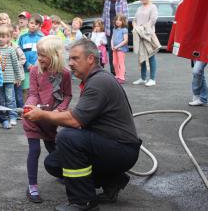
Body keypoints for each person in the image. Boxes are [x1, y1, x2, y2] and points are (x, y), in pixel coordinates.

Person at [24, 38, 141, 211]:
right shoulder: (95, 79)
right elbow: (80, 118)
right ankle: (112, 182)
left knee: (67, 138)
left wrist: (42, 115)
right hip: (114, 145)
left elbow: (75, 121)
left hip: (121, 148)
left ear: (90, 59)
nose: (70, 63)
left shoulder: (98, 83)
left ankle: (83, 201)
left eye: (75, 58)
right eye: (69, 58)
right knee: (54, 163)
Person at [23, 36, 72, 203]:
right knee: (34, 150)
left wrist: (59, 110)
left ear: (56, 55)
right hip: (33, 119)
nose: (39, 58)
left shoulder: (65, 74)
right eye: (38, 54)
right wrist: (30, 106)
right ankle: (32, 187)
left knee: (55, 149)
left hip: (51, 119)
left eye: (43, 54)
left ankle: (62, 174)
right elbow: (33, 94)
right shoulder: (35, 71)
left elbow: (67, 95)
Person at [132, 0, 161, 87]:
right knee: (142, 56)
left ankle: (152, 79)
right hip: (139, 34)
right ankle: (143, 78)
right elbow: (134, 20)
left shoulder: (153, 7)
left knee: (151, 56)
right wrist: (136, 28)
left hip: (148, 35)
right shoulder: (139, 8)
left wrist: (143, 29)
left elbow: (153, 20)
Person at [0, 25, 22, 127]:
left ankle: (13, 116)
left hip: (10, 79)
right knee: (0, 99)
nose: (1, 39)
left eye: (3, 36)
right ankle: (2, 116)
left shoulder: (11, 50)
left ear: (8, 37)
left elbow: (16, 64)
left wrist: (18, 77)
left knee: (10, 98)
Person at [101, 0, 128, 76]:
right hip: (109, 30)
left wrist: (123, 30)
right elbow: (104, 16)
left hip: (119, 31)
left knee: (119, 51)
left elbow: (125, 16)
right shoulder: (107, 1)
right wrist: (101, 28)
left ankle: (121, 72)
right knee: (112, 51)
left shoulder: (122, 0)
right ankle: (114, 72)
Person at [18, 14, 44, 100]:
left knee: (37, 89)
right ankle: (26, 109)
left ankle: (36, 110)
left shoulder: (42, 38)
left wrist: (36, 65)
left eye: (36, 24)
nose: (33, 25)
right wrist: (27, 64)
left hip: (38, 69)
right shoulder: (22, 37)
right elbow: (19, 52)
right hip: (26, 68)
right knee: (26, 89)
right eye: (31, 23)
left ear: (40, 26)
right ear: (28, 23)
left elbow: (43, 53)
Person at [111, 14, 129, 84]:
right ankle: (117, 75)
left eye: (120, 20)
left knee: (121, 63)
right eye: (117, 20)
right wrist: (112, 45)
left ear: (123, 21)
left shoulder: (124, 30)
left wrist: (117, 46)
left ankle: (121, 77)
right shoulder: (114, 29)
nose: (118, 21)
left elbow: (125, 40)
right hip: (114, 48)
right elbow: (112, 38)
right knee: (115, 63)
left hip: (121, 49)